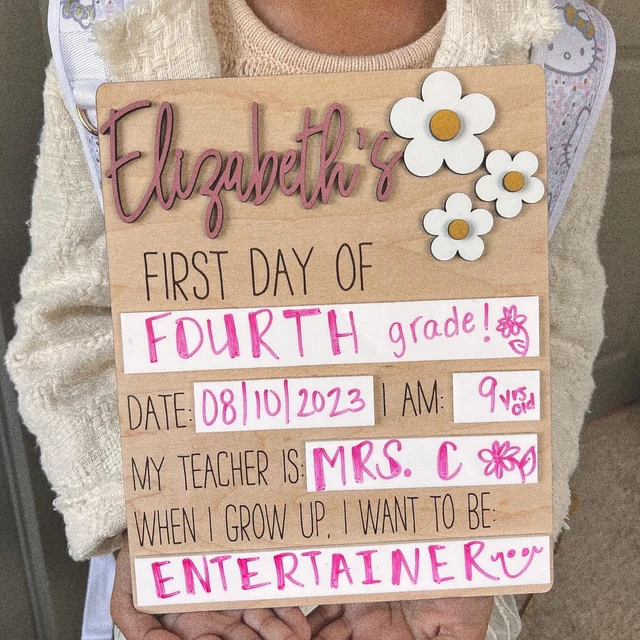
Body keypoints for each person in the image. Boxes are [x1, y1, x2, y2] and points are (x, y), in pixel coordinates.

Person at [6, 1, 612, 639]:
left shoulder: (557, 51)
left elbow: (555, 326)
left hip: (426, 567)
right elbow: (72, 319)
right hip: (200, 557)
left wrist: (492, 533)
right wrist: (136, 516)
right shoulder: (108, 28)